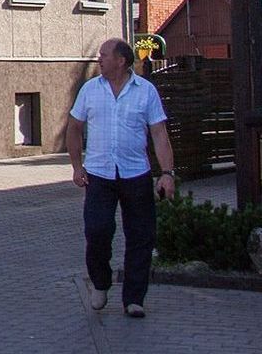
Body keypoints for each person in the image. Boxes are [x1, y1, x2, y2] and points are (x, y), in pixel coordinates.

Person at [66, 37, 176, 318]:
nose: (99, 59)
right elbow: (75, 127)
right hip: (99, 175)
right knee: (97, 230)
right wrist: (77, 166)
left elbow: (159, 134)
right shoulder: (90, 90)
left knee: (141, 236)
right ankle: (100, 283)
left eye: (104, 55)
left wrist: (167, 173)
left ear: (121, 61)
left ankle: (134, 298)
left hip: (135, 173)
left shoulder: (146, 92)